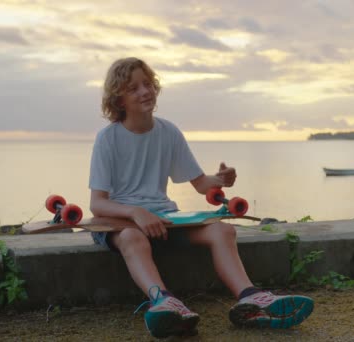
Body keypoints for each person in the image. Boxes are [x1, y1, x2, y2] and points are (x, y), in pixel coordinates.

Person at [89, 57, 314, 338]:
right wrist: (136, 213)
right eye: (133, 88)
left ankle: (251, 297)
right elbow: (97, 204)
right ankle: (164, 302)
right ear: (119, 100)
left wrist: (220, 180)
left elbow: (200, 184)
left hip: (164, 221)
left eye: (147, 84)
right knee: (133, 238)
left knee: (223, 230)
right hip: (119, 223)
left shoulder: (168, 132)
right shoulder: (108, 139)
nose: (145, 91)